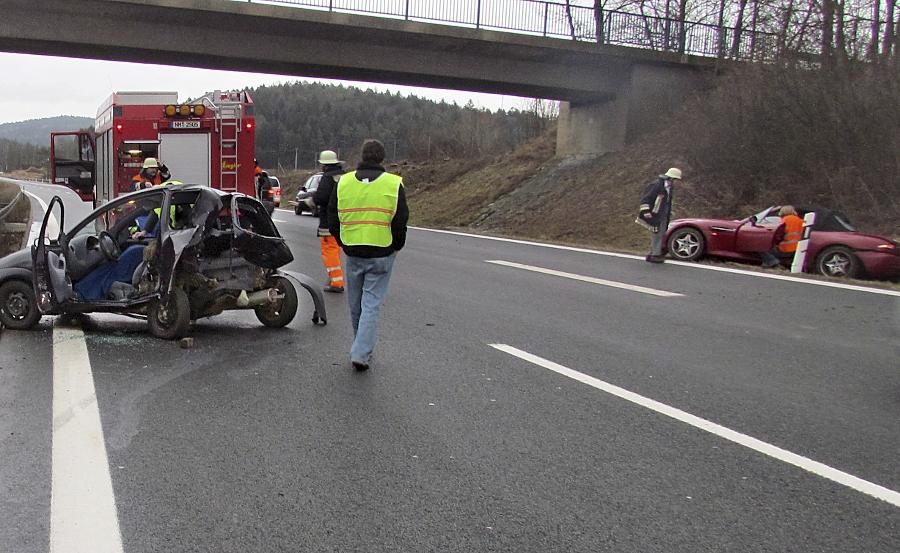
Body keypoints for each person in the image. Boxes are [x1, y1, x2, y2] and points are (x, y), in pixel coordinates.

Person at [328, 139, 408, 371]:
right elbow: (401, 218)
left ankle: (359, 345)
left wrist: (343, 240)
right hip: (382, 250)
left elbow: (332, 215)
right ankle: (361, 352)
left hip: (353, 250)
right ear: (382, 158)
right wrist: (396, 245)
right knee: (371, 303)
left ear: (362, 156)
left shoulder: (343, 183)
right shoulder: (393, 184)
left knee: (356, 303)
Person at [313, 150, 346, 293]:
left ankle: (336, 282)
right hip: (342, 221)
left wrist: (310, 200)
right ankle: (333, 277)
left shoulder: (327, 178)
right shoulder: (343, 177)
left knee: (329, 251)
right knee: (336, 249)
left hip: (328, 222)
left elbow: (320, 198)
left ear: (325, 166)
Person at [636, 167, 681, 263]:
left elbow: (666, 202)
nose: (677, 182)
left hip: (663, 214)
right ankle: (655, 255)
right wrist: (646, 211)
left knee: (661, 233)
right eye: (676, 180)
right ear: (671, 178)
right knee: (657, 234)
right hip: (655, 214)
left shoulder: (669, 188)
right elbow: (646, 199)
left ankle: (653, 253)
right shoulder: (656, 185)